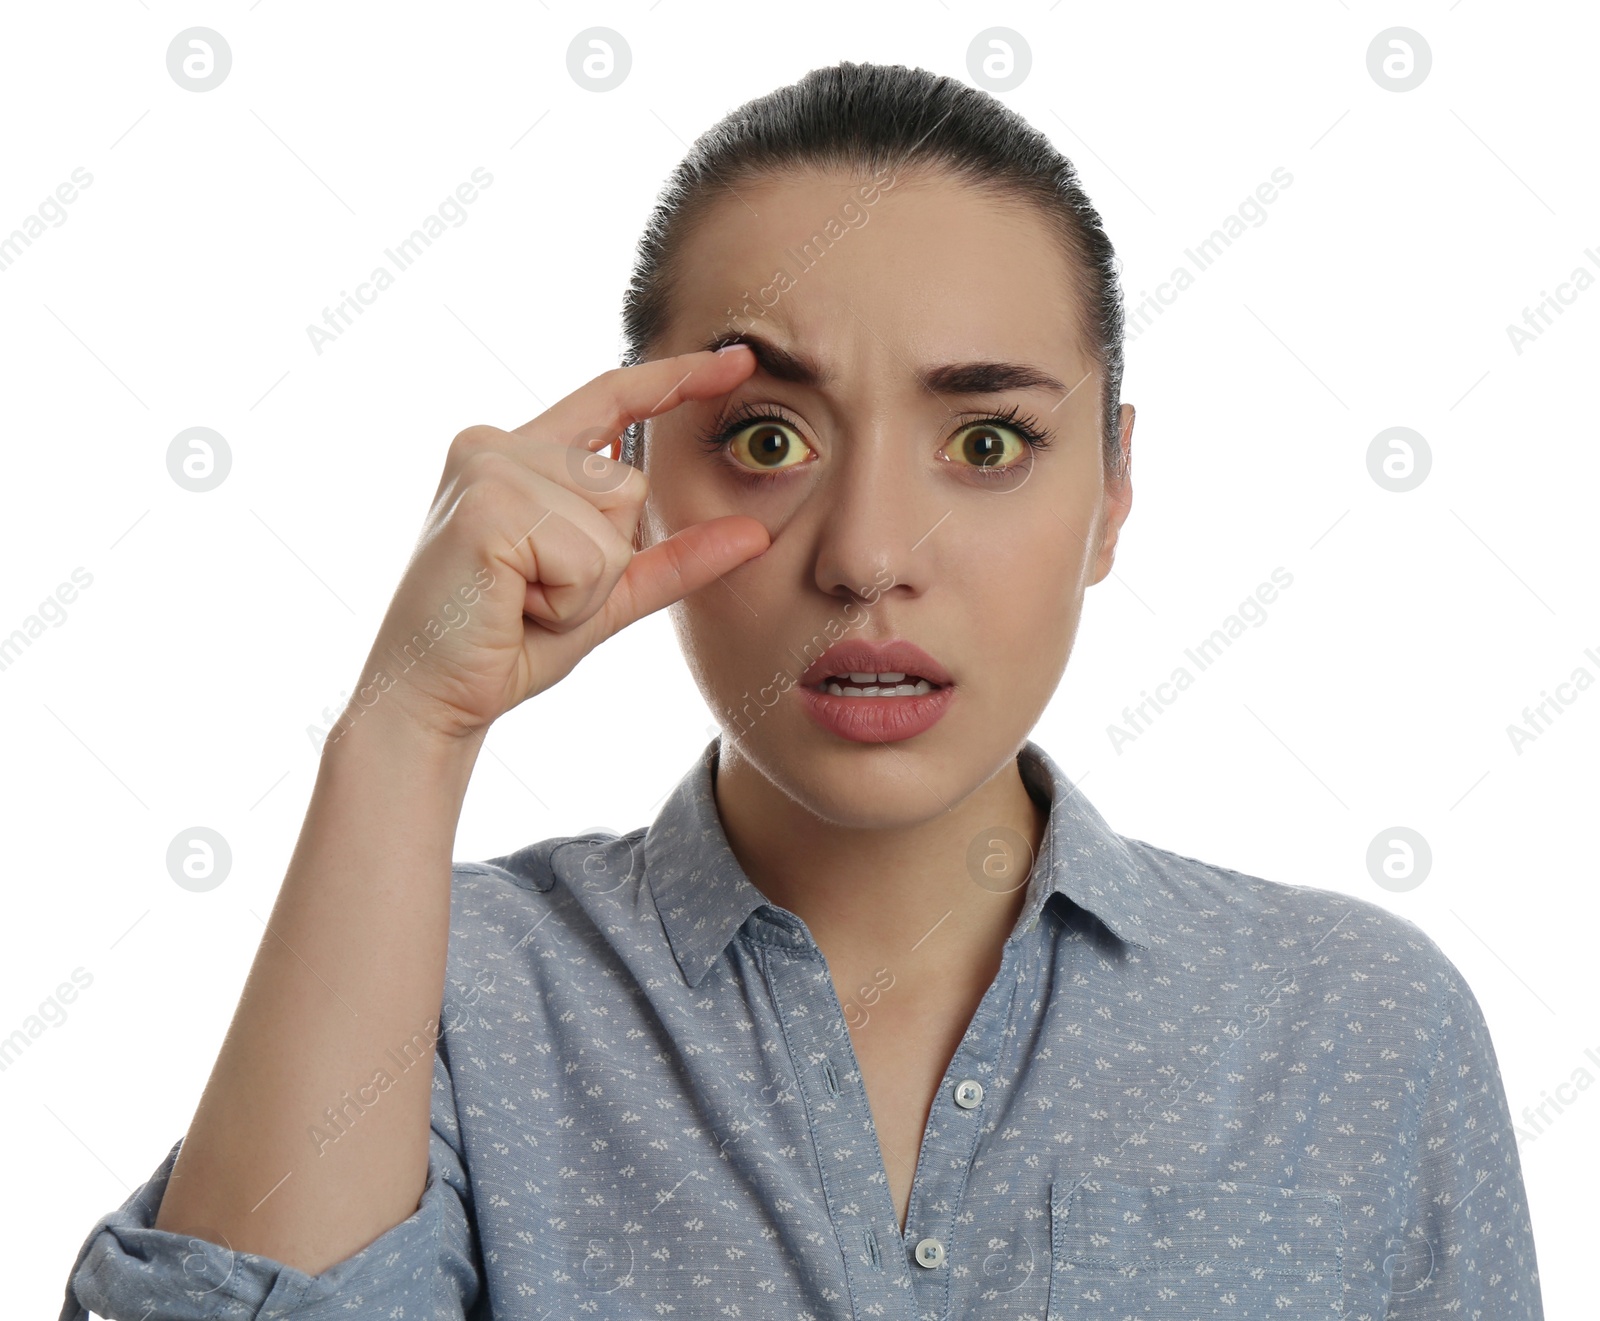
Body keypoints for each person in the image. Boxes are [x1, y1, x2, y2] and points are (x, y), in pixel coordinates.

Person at [59, 60, 1542, 1320]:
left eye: (986, 444)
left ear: (1115, 490)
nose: (870, 555)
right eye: (768, 437)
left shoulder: (1361, 1028)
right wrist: (403, 729)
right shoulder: (447, 996)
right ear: (633, 468)